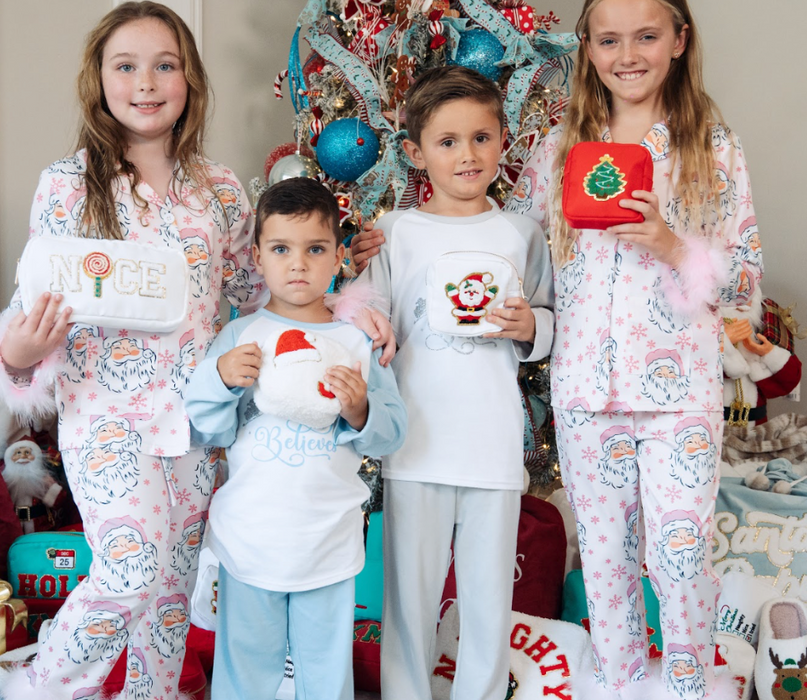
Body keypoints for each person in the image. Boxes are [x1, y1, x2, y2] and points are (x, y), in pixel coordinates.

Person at [0, 4, 392, 699]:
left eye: (165, 65)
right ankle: (40, 689)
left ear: (189, 79)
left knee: (169, 598)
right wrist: (20, 351)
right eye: (126, 66)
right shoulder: (69, 185)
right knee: (127, 574)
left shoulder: (220, 190)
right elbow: (29, 318)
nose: (146, 82)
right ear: (99, 80)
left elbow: (262, 293)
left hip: (198, 420)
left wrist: (346, 282)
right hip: (105, 418)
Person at [502, 1, 762, 698]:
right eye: (609, 39)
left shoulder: (712, 146)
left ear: (679, 40)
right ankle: (617, 686)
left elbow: (744, 282)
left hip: (680, 397)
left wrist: (673, 244)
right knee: (608, 562)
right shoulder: (556, 151)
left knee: (679, 562)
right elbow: (521, 260)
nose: (628, 55)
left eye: (646, 36)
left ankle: (686, 688)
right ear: (586, 47)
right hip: (587, 392)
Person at [357, 65, 555, 700]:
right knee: (409, 602)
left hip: (493, 446)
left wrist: (530, 327)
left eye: (480, 137)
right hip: (415, 445)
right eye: (447, 142)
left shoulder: (524, 235)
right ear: (416, 152)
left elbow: (550, 323)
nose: (467, 155)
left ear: (503, 140)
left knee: (488, 601)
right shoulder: (394, 233)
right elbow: (368, 320)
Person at [184, 177, 407, 700]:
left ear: (338, 258)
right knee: (246, 668)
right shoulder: (240, 335)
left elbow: (391, 433)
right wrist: (219, 378)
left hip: (326, 538)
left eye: (315, 249)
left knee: (325, 672)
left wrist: (360, 408)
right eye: (282, 249)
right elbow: (208, 428)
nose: (299, 264)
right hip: (250, 538)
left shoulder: (358, 338)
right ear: (258, 257)